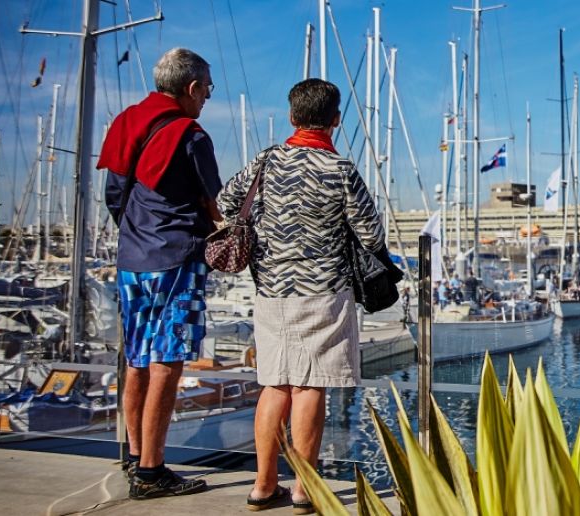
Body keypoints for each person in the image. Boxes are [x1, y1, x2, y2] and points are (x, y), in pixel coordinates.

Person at [217, 79, 384, 513]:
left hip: (271, 288)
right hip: (323, 292)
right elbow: (370, 233)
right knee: (311, 385)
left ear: (292, 117)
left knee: (275, 384)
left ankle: (262, 485)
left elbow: (227, 201)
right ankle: (304, 490)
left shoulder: (266, 161)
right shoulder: (339, 170)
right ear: (335, 120)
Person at [97, 48, 218, 500]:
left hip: (132, 259)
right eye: (206, 89)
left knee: (137, 358)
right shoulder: (192, 136)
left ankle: (134, 455)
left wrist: (137, 234)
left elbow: (115, 194)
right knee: (168, 359)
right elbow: (214, 204)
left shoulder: (127, 120)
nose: (207, 98)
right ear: (190, 89)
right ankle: (152, 471)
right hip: (178, 258)